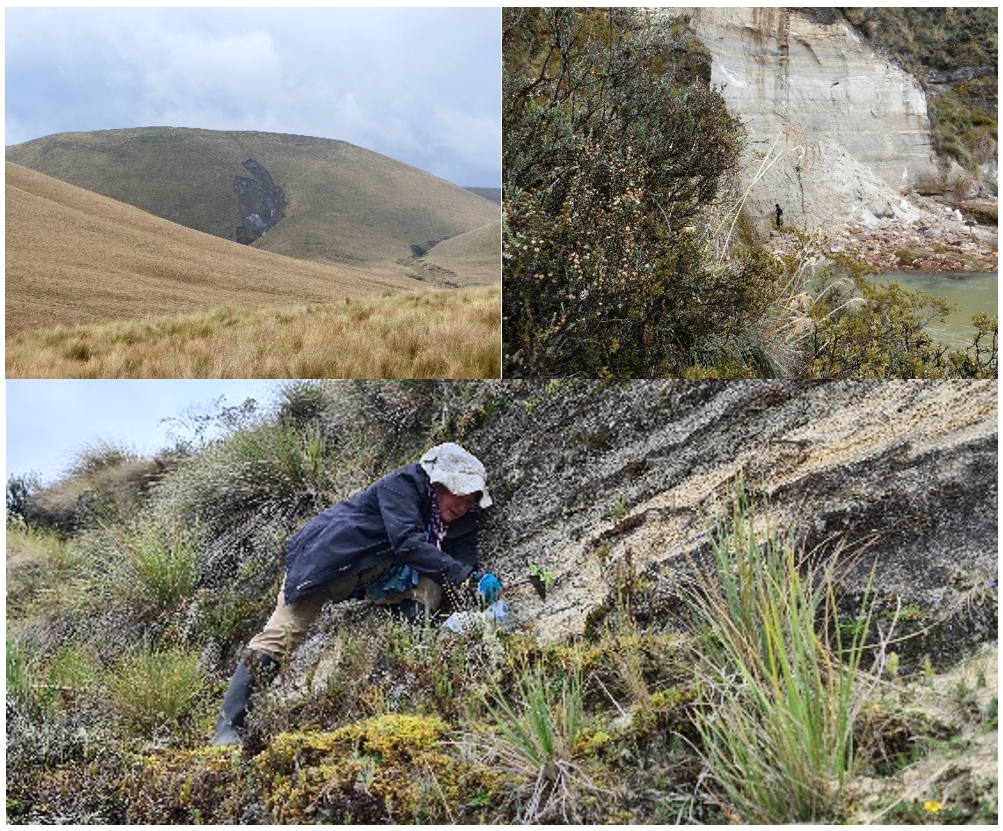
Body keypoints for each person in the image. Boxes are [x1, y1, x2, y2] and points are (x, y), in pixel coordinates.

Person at [211, 441, 501, 746]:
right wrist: (467, 577)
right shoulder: (403, 485)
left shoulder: (463, 519)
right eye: (460, 492)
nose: (464, 504)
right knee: (280, 635)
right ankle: (228, 729)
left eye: (471, 498)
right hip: (327, 563)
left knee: (430, 588)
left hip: (379, 574)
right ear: (439, 482)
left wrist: (479, 585)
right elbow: (406, 541)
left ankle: (384, 689)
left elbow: (461, 563)